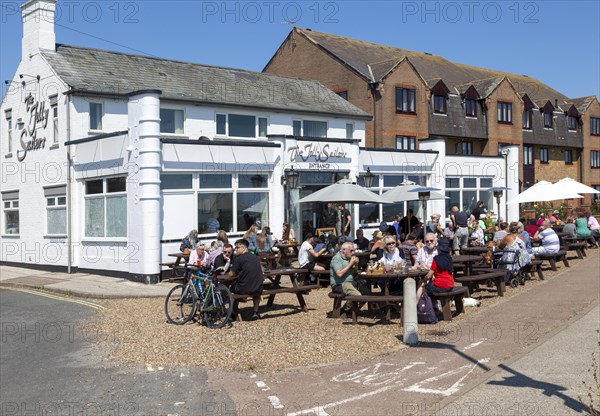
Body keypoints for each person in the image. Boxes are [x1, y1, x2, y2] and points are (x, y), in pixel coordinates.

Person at [229, 239, 263, 320]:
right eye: (235, 248)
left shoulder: (239, 259)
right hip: (258, 288)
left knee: (231, 288)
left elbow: (231, 274)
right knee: (256, 289)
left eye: (237, 248)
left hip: (244, 289)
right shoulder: (255, 257)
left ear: (244, 248)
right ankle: (255, 311)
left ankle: (233, 311)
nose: (235, 250)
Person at [329, 241, 362, 318]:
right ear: (343, 250)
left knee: (366, 291)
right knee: (358, 295)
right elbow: (339, 274)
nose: (353, 252)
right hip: (340, 284)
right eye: (351, 250)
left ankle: (351, 310)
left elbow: (354, 273)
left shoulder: (349, 258)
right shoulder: (336, 259)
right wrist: (350, 264)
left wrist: (355, 264)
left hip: (350, 282)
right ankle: (345, 310)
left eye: (354, 250)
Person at [416, 238, 454, 303]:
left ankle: (418, 305)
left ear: (439, 249)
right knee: (430, 288)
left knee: (423, 286)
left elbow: (429, 276)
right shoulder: (449, 258)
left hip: (440, 285)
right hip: (450, 285)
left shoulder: (436, 259)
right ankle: (434, 306)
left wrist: (424, 280)